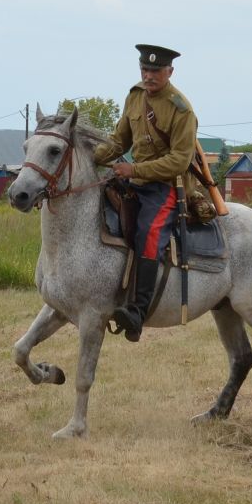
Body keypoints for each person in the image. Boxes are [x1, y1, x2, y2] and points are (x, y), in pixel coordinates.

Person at [93, 44, 200, 342]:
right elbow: (119, 141)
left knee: (148, 233)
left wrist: (135, 171)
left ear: (170, 72)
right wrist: (91, 158)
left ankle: (137, 311)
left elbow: (180, 160)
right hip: (137, 182)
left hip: (168, 186)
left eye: (155, 70)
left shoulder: (182, 109)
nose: (149, 75)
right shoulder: (135, 96)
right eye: (145, 69)